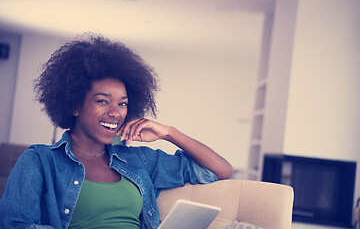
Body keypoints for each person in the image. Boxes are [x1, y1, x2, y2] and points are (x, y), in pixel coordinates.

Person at [0, 34, 233, 229]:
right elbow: (15, 224)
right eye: (103, 101)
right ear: (74, 105)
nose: (116, 112)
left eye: (122, 104)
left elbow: (220, 170)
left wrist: (169, 133)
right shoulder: (39, 160)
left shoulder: (138, 160)